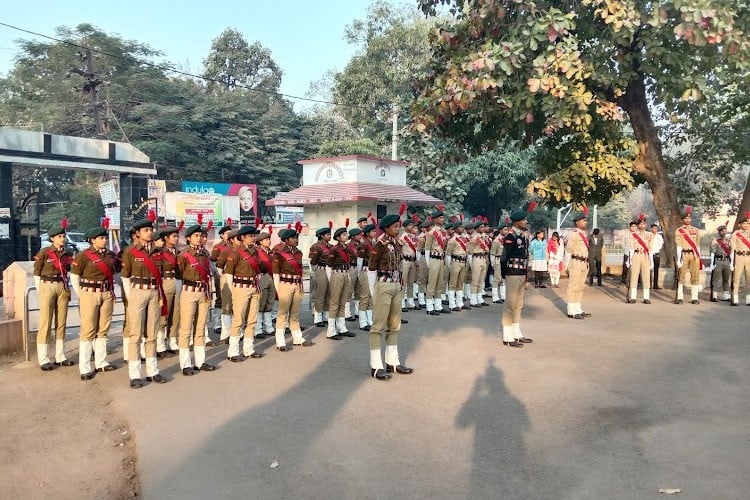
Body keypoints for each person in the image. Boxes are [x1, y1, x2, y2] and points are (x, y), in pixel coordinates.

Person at [121, 219, 168, 388]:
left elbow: (160, 275)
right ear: (138, 234)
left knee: (152, 333)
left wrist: (160, 294)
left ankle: (152, 371)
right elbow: (125, 277)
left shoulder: (158, 252)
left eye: (150, 229)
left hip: (154, 292)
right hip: (137, 292)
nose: (149, 232)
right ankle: (134, 374)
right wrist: (130, 297)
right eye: (146, 230)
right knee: (135, 334)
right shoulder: (131, 251)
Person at [367, 213, 413, 380]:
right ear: (386, 228)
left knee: (394, 325)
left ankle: (392, 362)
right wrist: (374, 292)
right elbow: (371, 269)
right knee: (378, 326)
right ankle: (376, 366)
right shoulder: (379, 245)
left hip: (396, 285)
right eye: (394, 226)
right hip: (383, 284)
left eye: (398, 225)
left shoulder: (399, 243)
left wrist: (401, 285)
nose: (398, 228)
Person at [70, 225, 118, 379]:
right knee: (88, 330)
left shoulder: (110, 255)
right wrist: (81, 295)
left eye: (105, 238)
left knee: (103, 328)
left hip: (106, 293)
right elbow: (75, 276)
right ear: (92, 240)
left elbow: (115, 272)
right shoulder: (84, 255)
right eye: (101, 238)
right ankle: (84, 367)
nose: (104, 240)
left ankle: (101, 362)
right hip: (89, 294)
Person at [33, 224, 74, 371]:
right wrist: (40, 290)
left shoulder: (68, 253)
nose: (62, 239)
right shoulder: (45, 252)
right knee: (46, 322)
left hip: (61, 285)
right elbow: (37, 273)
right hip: (47, 285)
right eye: (59, 237)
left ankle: (60, 355)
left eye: (63, 236)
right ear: (52, 239)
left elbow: (70, 271)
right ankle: (43, 358)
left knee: (61, 322)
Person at [176, 225, 216, 375]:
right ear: (188, 238)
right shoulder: (183, 255)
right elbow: (178, 277)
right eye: (195, 235)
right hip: (189, 292)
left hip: (203, 292)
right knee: (186, 329)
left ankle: (200, 361)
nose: (199, 238)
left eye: (200, 235)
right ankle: (185, 364)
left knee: (200, 328)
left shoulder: (205, 254)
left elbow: (209, 274)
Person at [223, 225, 265, 361]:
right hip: (240, 288)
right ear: (242, 238)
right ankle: (233, 351)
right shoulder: (236, 252)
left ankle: (248, 349)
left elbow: (258, 270)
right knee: (238, 320)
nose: (254, 238)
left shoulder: (255, 251)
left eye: (254, 236)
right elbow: (228, 274)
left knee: (252, 320)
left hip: (253, 287)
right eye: (251, 236)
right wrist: (233, 290)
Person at [272, 228, 315, 350]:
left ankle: (297, 338)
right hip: (285, 284)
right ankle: (280, 341)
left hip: (297, 284)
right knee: (282, 314)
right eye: (293, 238)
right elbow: (276, 273)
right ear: (286, 240)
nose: (296, 240)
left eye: (297, 238)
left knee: (295, 314)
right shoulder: (279, 254)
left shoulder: (299, 253)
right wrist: (278, 290)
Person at [500, 208, 533, 347]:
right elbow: (504, 258)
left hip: (521, 273)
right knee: (510, 304)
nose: (526, 221)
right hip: (512, 272)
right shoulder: (511, 236)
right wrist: (504, 274)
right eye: (524, 219)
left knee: (518, 305)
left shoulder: (523, 236)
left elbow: (525, 257)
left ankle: (517, 333)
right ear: (517, 222)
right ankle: (507, 336)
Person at [326, 226, 357, 339]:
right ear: (338, 238)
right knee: (335, 303)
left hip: (346, 273)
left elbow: (354, 257)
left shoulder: (348, 248)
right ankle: (331, 330)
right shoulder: (334, 249)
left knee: (343, 302)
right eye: (343, 235)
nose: (346, 236)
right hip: (337, 274)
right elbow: (328, 265)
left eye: (346, 234)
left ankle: (342, 327)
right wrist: (331, 279)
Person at [156, 226, 180, 357]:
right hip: (166, 282)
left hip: (177, 281)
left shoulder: (179, 252)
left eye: (177, 236)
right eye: (174, 236)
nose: (176, 239)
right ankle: (160, 344)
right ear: (166, 238)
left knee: (175, 314)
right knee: (164, 313)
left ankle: (172, 340)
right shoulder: (160, 253)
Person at [566, 210, 591, 319]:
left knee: (580, 286)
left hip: (584, 262)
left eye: (585, 220)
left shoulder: (584, 234)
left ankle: (578, 307)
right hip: (576, 261)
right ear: (577, 222)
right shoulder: (574, 234)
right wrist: (566, 264)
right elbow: (569, 250)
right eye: (583, 221)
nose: (585, 222)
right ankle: (571, 310)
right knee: (573, 286)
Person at [674, 207, 702, 305]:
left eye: (689, 218)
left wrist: (699, 257)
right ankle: (680, 297)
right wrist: (679, 259)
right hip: (684, 254)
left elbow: (697, 244)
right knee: (681, 276)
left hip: (694, 254)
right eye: (685, 218)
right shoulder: (679, 230)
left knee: (695, 276)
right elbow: (678, 245)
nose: (688, 220)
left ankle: (694, 298)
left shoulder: (696, 230)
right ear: (682, 220)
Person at [424, 207, 449, 315]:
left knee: (440, 283)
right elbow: (427, 248)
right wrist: (428, 262)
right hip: (434, 259)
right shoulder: (431, 232)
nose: (442, 219)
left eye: (443, 217)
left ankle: (438, 306)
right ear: (434, 220)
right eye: (440, 218)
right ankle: (429, 307)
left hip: (441, 259)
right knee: (432, 283)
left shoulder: (443, 232)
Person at [253, 228, 276, 339]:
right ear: (260, 242)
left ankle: (269, 327)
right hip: (261, 277)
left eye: (269, 239)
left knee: (269, 302)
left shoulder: (270, 252)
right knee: (260, 304)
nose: (269, 241)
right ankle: (258, 329)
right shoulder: (257, 252)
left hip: (270, 277)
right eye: (266, 240)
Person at [210, 222, 233, 333]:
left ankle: (229, 324)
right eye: (227, 233)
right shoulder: (218, 247)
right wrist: (218, 274)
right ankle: (217, 324)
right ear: (222, 235)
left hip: (233, 275)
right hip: (221, 274)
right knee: (219, 299)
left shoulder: (235, 245)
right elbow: (213, 261)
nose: (229, 235)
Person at [625, 216, 654, 304]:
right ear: (638, 225)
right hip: (636, 255)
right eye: (640, 224)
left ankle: (646, 297)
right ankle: (633, 297)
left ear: (646, 224)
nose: (642, 225)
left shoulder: (650, 235)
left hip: (645, 256)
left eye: (644, 223)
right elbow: (631, 248)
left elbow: (650, 249)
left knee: (646, 276)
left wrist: (651, 261)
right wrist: (629, 260)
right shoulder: (633, 235)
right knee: (634, 276)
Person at [309, 225, 332, 327]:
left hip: (329, 270)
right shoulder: (316, 246)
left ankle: (326, 316)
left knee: (328, 294)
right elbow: (312, 261)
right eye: (327, 234)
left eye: (330, 234)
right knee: (320, 294)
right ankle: (318, 318)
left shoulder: (331, 246)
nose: (330, 236)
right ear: (321, 236)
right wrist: (315, 273)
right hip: (321, 270)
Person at [357, 223, 377, 330]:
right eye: (373, 231)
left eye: (375, 231)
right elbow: (360, 260)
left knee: (371, 296)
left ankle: (370, 320)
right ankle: (363, 322)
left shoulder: (374, 242)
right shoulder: (364, 244)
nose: (375, 233)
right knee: (364, 296)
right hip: (365, 270)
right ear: (368, 233)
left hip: (372, 271)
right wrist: (359, 273)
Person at [729, 212, 750, 306]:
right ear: (739, 225)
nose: (745, 225)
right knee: (736, 278)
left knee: (749, 279)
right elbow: (732, 249)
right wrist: (731, 262)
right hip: (739, 257)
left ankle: (748, 299)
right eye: (744, 223)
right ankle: (735, 298)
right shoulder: (736, 234)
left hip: (749, 257)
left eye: (747, 223)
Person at [400, 218, 420, 311]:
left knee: (411, 283)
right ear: (405, 227)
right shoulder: (403, 237)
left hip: (413, 261)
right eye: (409, 225)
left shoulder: (415, 237)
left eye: (412, 225)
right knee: (403, 282)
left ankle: (411, 302)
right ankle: (402, 303)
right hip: (405, 260)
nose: (411, 226)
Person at [709, 224, 732, 302]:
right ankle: (714, 295)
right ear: (719, 232)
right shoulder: (715, 240)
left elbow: (731, 252)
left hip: (726, 261)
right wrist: (712, 263)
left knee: (726, 279)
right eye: (722, 231)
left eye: (725, 230)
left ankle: (726, 295)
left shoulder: (729, 241)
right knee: (716, 279)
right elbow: (712, 252)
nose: (724, 232)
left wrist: (732, 263)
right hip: (718, 260)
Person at [490, 225, 507, 302]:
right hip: (497, 260)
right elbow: (492, 253)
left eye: (506, 230)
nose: (506, 231)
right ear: (500, 230)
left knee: (503, 278)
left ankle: (503, 296)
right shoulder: (496, 241)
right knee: (497, 279)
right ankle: (495, 297)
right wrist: (493, 264)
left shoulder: (505, 240)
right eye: (504, 230)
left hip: (503, 261)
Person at [650, 224, 664, 289]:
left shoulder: (659, 236)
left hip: (656, 254)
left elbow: (661, 244)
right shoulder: (649, 235)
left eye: (656, 228)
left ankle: (655, 284)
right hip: (649, 254)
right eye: (653, 228)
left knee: (656, 270)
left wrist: (657, 249)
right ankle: (649, 284)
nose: (655, 230)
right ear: (651, 229)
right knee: (649, 270)